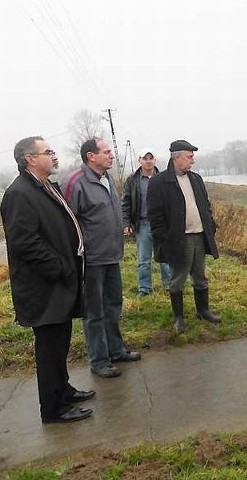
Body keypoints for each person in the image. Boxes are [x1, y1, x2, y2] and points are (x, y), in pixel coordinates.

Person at [0, 136, 94, 423]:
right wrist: (59, 266)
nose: (54, 156)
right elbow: (23, 242)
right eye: (48, 152)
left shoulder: (44, 187)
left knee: (60, 343)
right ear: (29, 158)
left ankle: (62, 390)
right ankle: (53, 409)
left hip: (58, 283)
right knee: (49, 349)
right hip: (44, 287)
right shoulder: (19, 193)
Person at [62, 138, 141, 378]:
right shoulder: (76, 182)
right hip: (91, 259)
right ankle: (98, 360)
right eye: (106, 152)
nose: (111, 155)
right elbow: (67, 223)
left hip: (111, 255)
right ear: (91, 156)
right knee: (94, 312)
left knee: (113, 304)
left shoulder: (106, 179)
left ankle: (116, 350)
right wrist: (77, 255)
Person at [147, 139, 222, 334]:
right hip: (178, 240)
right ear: (176, 158)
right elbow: (155, 216)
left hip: (199, 236)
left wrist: (210, 225)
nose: (192, 161)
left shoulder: (196, 179)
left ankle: (203, 311)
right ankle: (178, 318)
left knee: (200, 276)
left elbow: (205, 205)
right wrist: (164, 239)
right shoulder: (159, 182)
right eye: (189, 157)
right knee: (178, 278)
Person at [122, 148, 171, 296]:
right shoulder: (132, 180)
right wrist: (126, 223)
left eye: (151, 158)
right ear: (140, 160)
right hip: (142, 224)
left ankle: (169, 285)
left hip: (162, 224)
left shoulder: (164, 178)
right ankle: (144, 288)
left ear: (155, 160)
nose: (148, 161)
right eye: (145, 158)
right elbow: (126, 202)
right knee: (144, 259)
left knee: (165, 257)